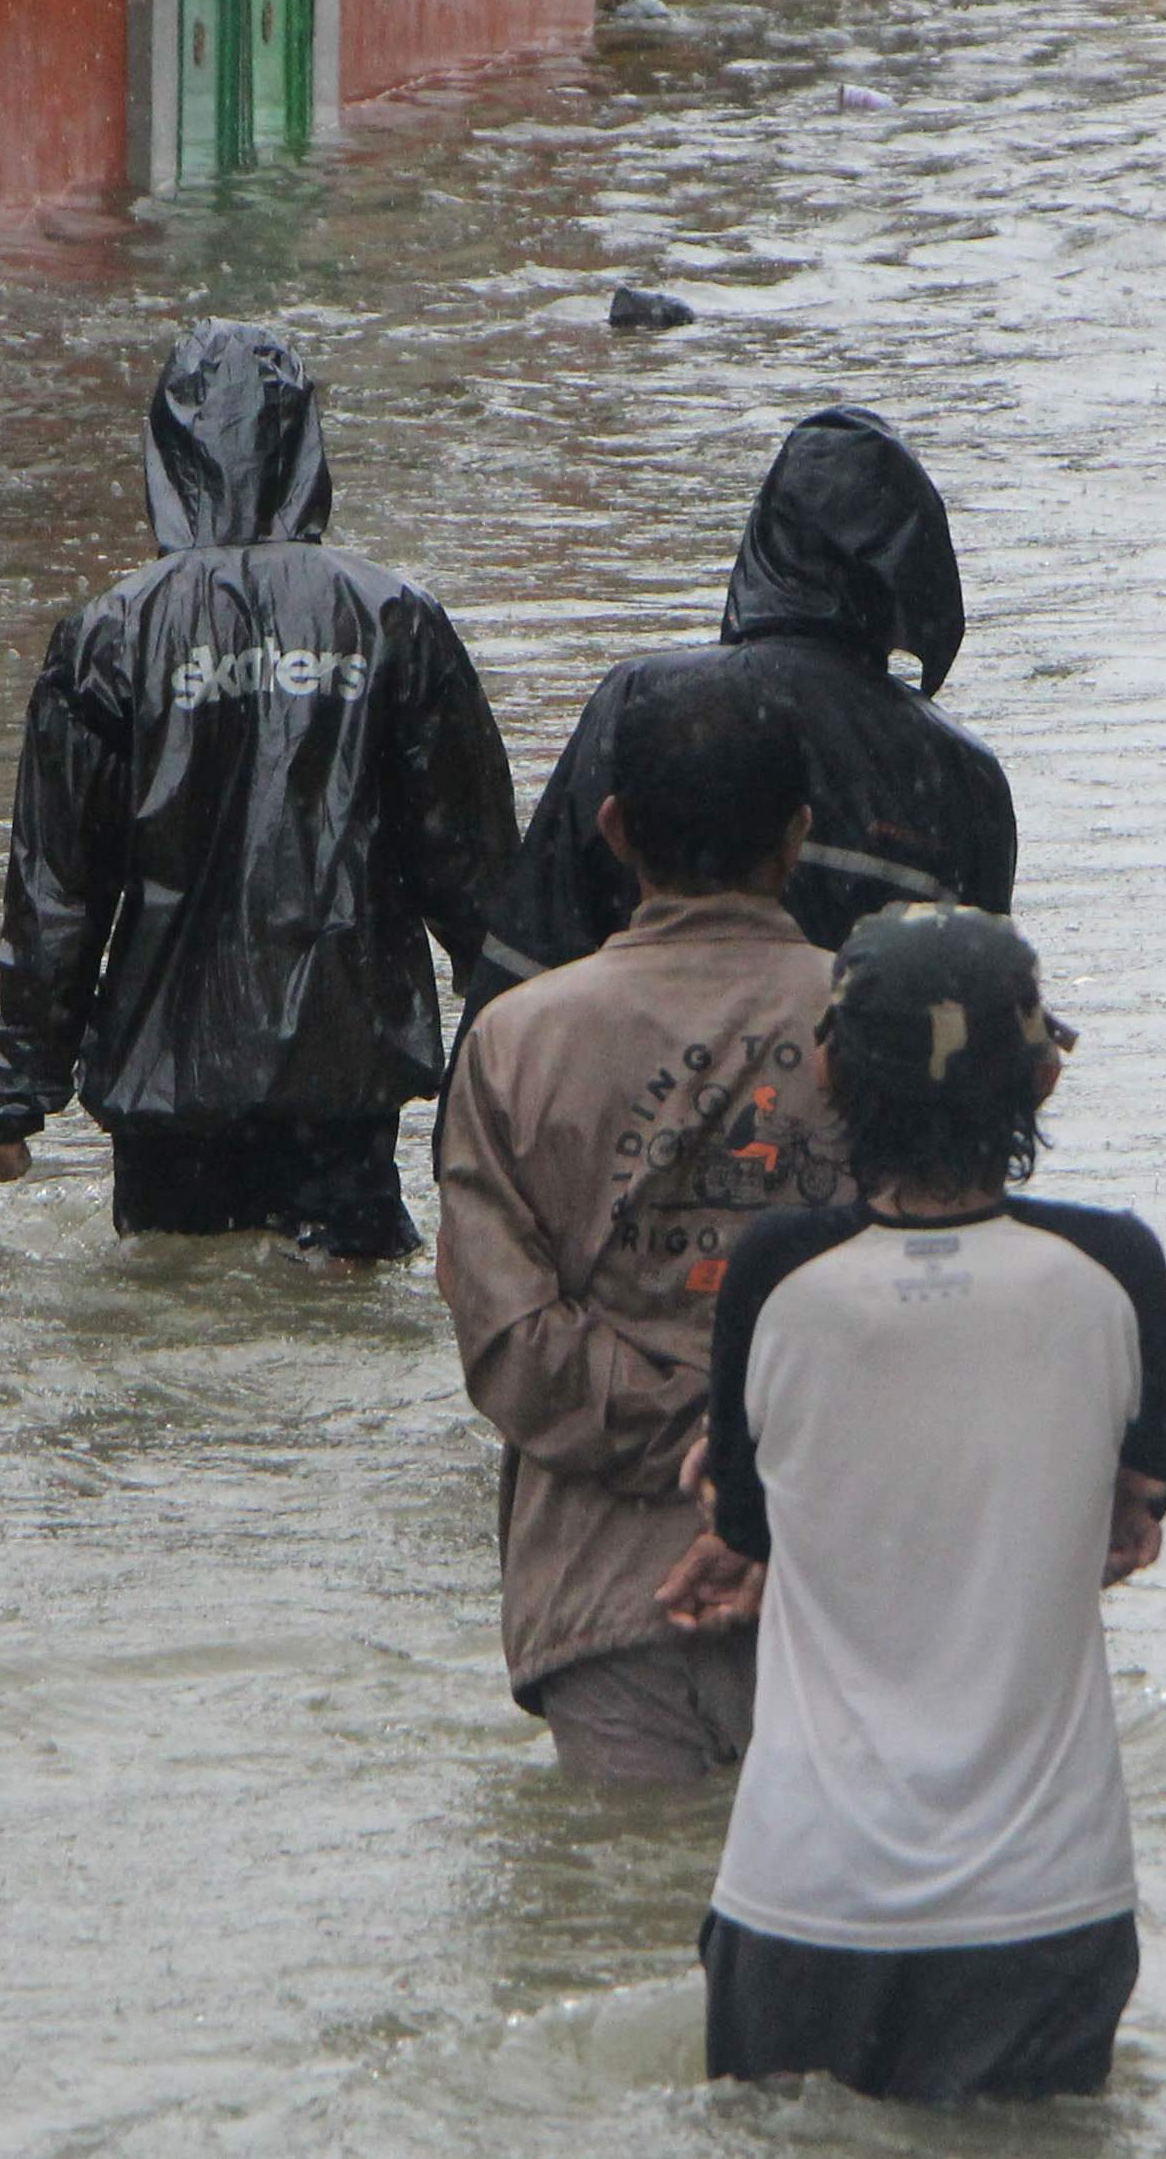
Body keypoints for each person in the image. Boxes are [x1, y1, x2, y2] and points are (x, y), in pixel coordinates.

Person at [677, 908, 1166, 2105]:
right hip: (1043, 1903)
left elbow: (744, 1525)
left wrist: (738, 1504)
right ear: (1044, 1069)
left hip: (804, 1893)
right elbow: (1125, 1528)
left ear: (833, 1072)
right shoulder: (1117, 1269)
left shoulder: (776, 1274)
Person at [0, 322, 517, 1263]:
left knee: (172, 1313)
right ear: (308, 449)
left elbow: (58, 888)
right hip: (343, 1075)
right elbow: (472, 867)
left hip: (167, 1087)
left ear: (167, 457)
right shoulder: (392, 618)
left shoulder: (107, 636)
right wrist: (522, 1042)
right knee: (336, 1316)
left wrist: (18, 1092)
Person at [435, 670, 852, 1784]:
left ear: (613, 830)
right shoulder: (871, 1023)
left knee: (615, 1928)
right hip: (829, 1581)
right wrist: (752, 1461)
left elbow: (509, 1343)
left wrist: (690, 1444)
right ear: (797, 837)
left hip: (607, 1601)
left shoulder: (514, 1042)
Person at [472, 406, 1012, 1002]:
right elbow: (984, 1021)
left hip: (651, 1078)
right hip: (854, 1089)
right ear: (911, 569)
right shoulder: (964, 772)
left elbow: (528, 955)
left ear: (765, 540)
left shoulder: (648, 700)